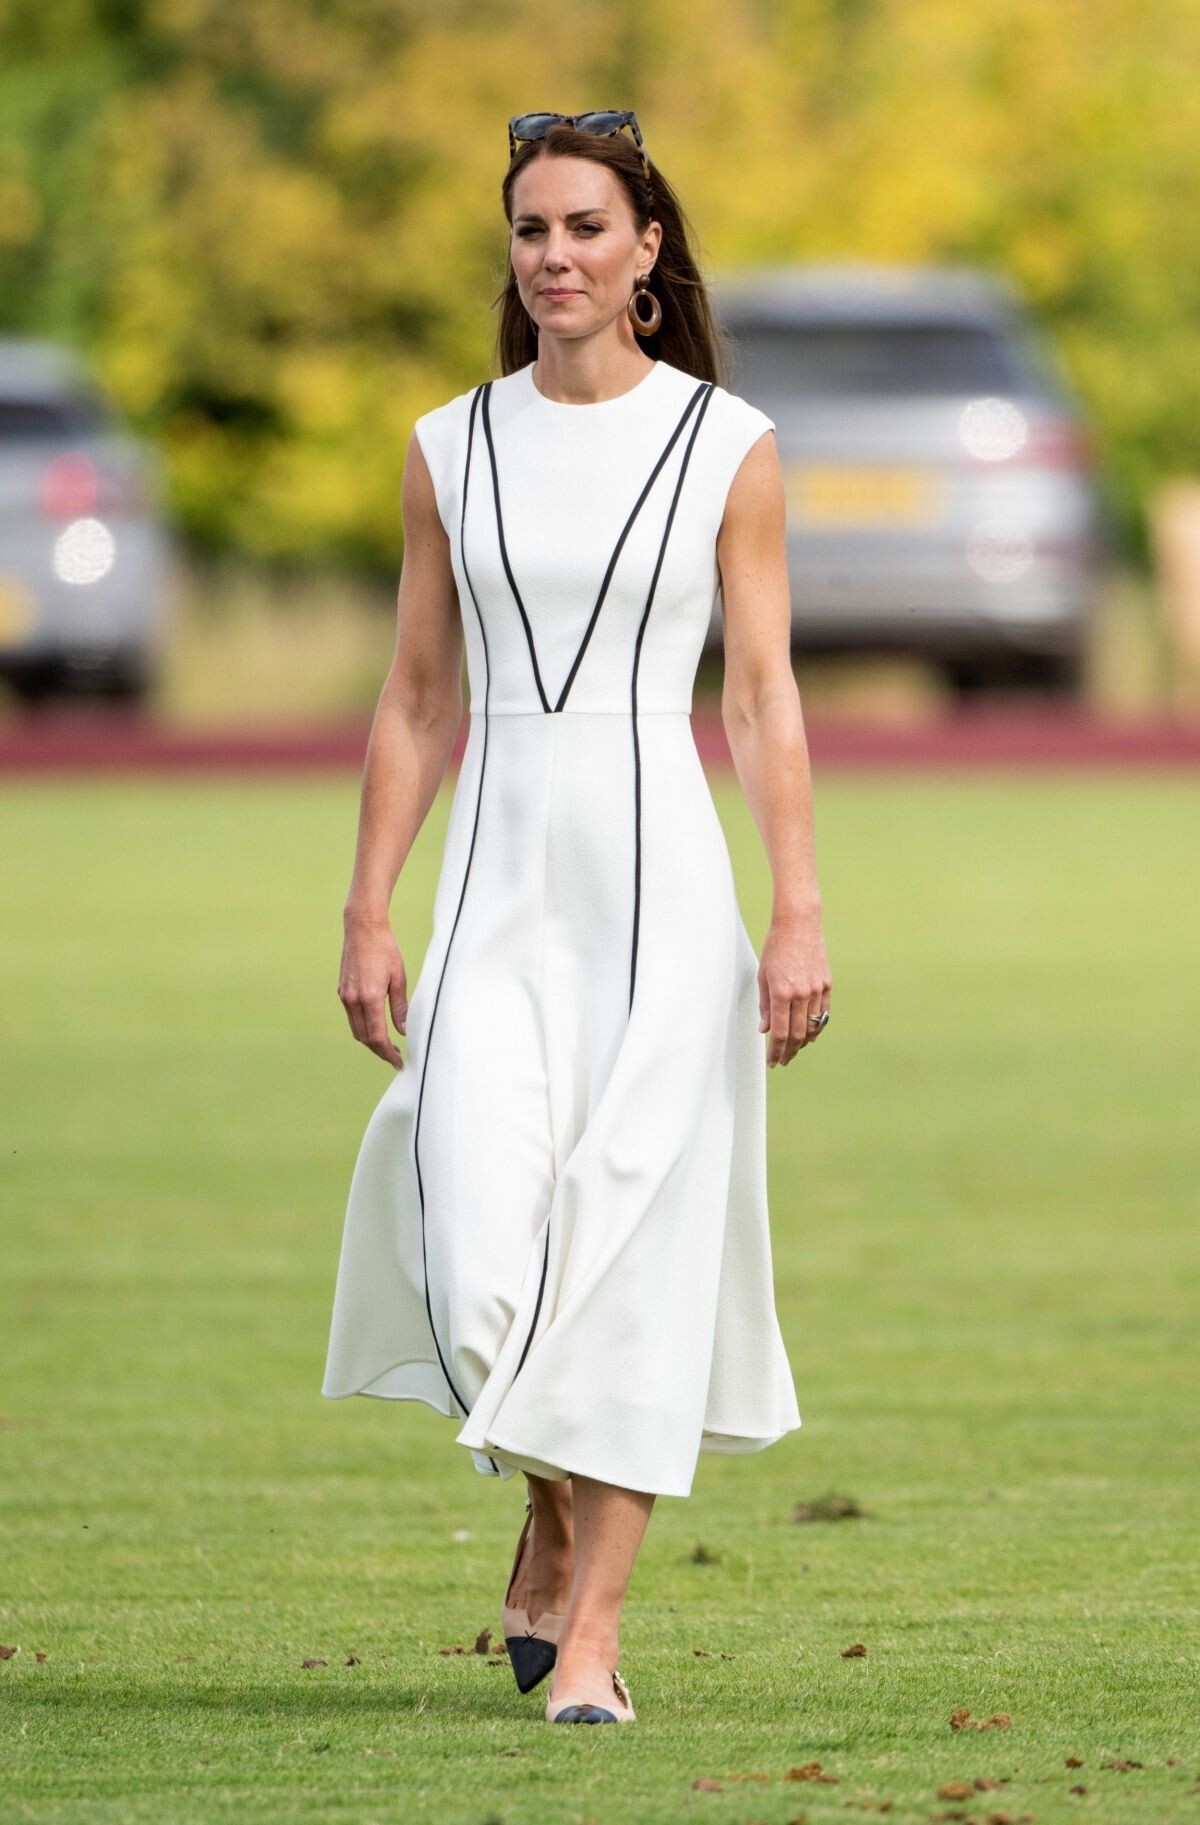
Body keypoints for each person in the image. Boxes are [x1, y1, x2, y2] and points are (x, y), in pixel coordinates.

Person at [322, 109, 831, 1726]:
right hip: (494, 900)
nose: (555, 256)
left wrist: (798, 910)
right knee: (468, 1247)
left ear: (646, 251)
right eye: (532, 229)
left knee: (632, 1257)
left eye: (586, 228)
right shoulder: (448, 445)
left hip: (666, 904)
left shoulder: (725, 443)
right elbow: (417, 695)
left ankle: (593, 1637)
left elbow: (760, 694)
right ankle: (546, 1505)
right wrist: (368, 908)